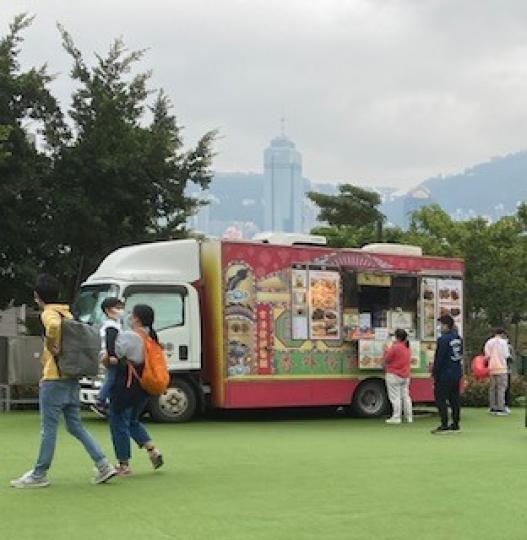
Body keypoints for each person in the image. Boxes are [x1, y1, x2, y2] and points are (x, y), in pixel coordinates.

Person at [10, 274, 116, 488]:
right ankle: (103, 464)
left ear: (37, 296)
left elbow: (53, 326)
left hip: (53, 378)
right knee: (75, 426)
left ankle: (39, 474)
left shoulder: (49, 313)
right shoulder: (66, 311)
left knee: (48, 428)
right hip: (71, 377)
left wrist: (51, 345)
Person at [108, 304, 164, 476]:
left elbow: (116, 353)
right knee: (132, 420)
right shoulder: (151, 336)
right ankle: (152, 449)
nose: (129, 316)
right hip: (144, 385)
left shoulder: (131, 336)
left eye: (132, 314)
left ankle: (123, 464)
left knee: (118, 421)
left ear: (137, 318)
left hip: (128, 383)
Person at [90, 297, 124, 417]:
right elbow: (111, 342)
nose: (120, 311)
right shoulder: (111, 326)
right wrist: (112, 355)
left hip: (108, 355)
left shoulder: (114, 324)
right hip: (110, 356)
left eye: (121, 308)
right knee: (111, 378)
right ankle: (100, 400)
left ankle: (107, 401)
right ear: (108, 310)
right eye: (117, 308)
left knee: (112, 378)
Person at [431, 314, 463, 434]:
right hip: (456, 372)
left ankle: (444, 424)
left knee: (440, 399)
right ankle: (455, 423)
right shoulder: (458, 338)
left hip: (445, 373)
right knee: (455, 399)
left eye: (441, 325)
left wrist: (435, 373)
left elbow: (439, 359)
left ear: (446, 325)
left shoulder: (443, 340)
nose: (440, 327)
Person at [383, 329, 413, 424]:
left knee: (395, 397)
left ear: (397, 337)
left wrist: (386, 349)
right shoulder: (407, 347)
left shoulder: (395, 347)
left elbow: (387, 359)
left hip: (394, 374)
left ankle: (396, 417)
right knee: (406, 396)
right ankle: (409, 417)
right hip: (405, 375)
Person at [484, 328, 510, 416]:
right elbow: (506, 355)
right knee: (501, 388)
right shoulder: (504, 342)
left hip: (492, 367)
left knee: (492, 389)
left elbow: (487, 355)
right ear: (502, 334)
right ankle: (501, 408)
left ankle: (492, 407)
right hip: (502, 368)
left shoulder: (489, 342)